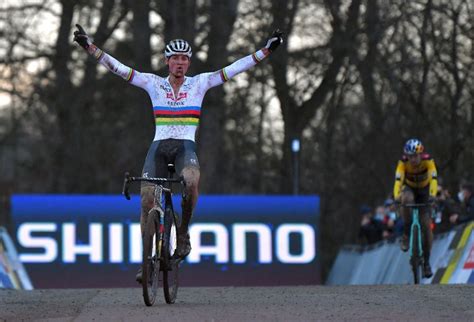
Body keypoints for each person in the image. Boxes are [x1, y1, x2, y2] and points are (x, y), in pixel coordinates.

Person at [73, 24, 283, 282]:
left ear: (189, 62)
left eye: (184, 59)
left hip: (185, 145)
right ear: (167, 62)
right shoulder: (153, 83)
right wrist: (90, 48)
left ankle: (182, 234)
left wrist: (265, 51)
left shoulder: (200, 83)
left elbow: (234, 68)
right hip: (159, 146)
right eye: (175, 59)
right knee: (146, 199)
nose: (180, 63)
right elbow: (119, 69)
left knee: (192, 181)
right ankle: (146, 262)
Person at [392, 138, 438, 278]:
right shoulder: (402, 163)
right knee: (406, 200)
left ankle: (427, 263)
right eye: (410, 156)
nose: (413, 159)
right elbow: (398, 181)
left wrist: (432, 195)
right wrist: (396, 196)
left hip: (424, 191)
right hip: (409, 189)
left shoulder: (429, 161)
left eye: (415, 156)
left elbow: (434, 180)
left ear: (420, 154)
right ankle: (406, 234)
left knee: (427, 227)